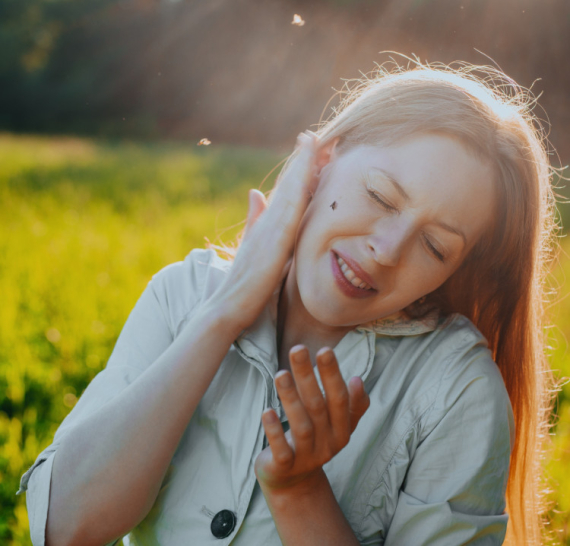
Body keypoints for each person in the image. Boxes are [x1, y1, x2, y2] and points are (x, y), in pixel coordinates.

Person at [17, 60, 556, 546]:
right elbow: (67, 529)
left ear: (453, 273)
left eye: (435, 246)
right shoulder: (183, 293)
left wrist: (299, 492)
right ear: (322, 160)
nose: (386, 251)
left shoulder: (456, 392)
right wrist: (223, 314)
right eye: (379, 196)